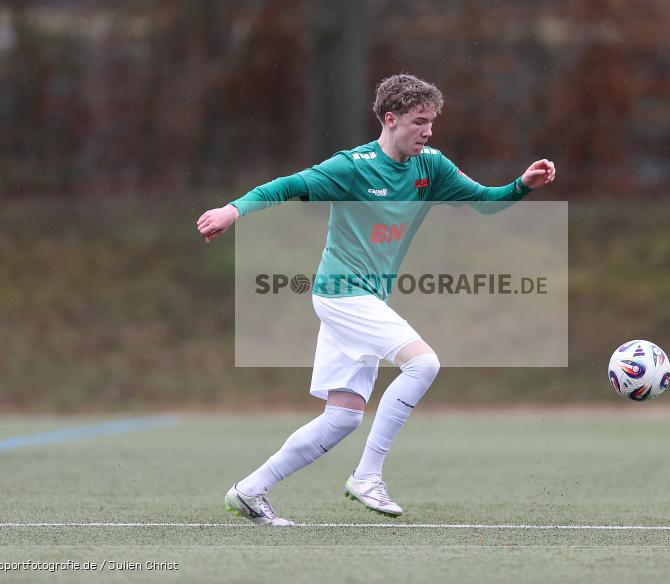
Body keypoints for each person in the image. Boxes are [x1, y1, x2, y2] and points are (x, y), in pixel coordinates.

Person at [196, 74, 555, 526]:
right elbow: (284, 186)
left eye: (432, 122)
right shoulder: (352, 166)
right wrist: (233, 210)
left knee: (342, 419)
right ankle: (367, 476)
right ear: (390, 119)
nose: (428, 131)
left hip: (364, 298)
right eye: (419, 121)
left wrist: (521, 184)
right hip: (342, 293)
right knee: (423, 364)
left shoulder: (432, 166)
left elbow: (485, 200)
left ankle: (249, 491)